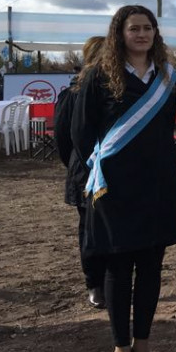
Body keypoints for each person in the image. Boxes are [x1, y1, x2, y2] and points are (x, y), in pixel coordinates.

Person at [71, 5, 176, 352]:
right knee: (119, 272)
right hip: (115, 190)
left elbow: (164, 125)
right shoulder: (98, 76)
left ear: (156, 33)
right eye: (133, 28)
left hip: (157, 187)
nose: (141, 34)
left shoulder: (167, 77)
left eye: (147, 28)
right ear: (118, 34)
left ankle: (143, 347)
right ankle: (120, 350)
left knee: (152, 270)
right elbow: (81, 134)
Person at [54, 35, 107, 309]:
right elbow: (63, 138)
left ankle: (109, 282)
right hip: (86, 172)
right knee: (89, 230)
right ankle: (94, 284)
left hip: (112, 171)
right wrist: (80, 165)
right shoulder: (73, 94)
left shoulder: (116, 90)